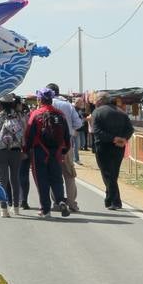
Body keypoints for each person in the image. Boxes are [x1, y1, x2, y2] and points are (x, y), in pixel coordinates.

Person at [24, 88, 71, 218]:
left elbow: (29, 134)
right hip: (56, 153)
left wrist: (26, 150)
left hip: (40, 152)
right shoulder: (60, 114)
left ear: (39, 99)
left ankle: (45, 209)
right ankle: (61, 200)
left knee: (42, 180)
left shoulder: (36, 114)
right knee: (57, 178)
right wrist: (65, 149)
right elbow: (67, 134)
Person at [92, 92, 134, 210]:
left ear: (101, 100)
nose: (94, 102)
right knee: (113, 174)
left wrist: (113, 138)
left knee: (107, 174)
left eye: (96, 100)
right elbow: (130, 129)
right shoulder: (121, 112)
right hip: (119, 147)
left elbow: (97, 131)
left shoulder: (97, 112)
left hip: (103, 146)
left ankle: (113, 200)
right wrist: (123, 139)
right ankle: (113, 200)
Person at [0, 93, 26, 216]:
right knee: (15, 179)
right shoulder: (19, 116)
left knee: (2, 181)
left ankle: (4, 209)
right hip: (16, 152)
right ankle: (16, 208)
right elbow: (24, 135)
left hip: (1, 152)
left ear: (0, 104)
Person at [47, 83, 83, 212]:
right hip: (66, 145)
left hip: (49, 146)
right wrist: (70, 129)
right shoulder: (67, 105)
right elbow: (78, 123)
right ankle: (72, 203)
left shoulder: (45, 105)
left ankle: (57, 203)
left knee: (53, 175)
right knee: (69, 175)